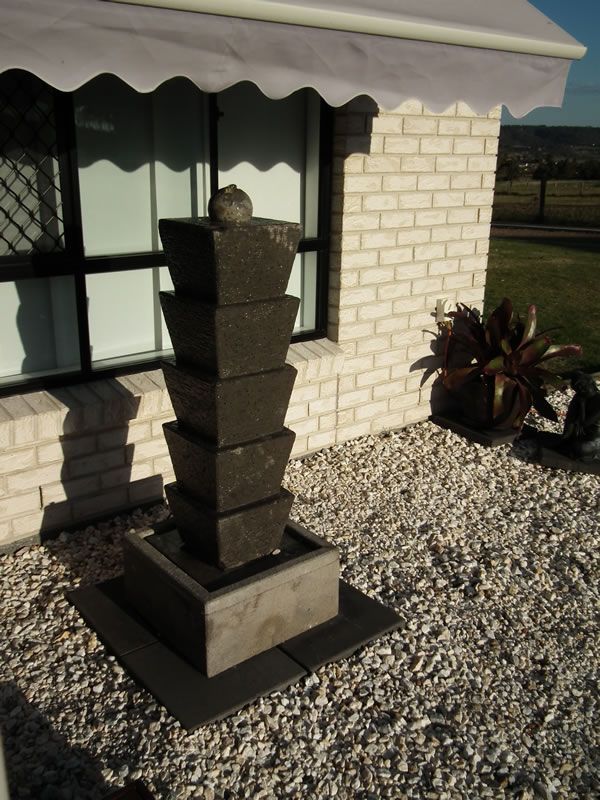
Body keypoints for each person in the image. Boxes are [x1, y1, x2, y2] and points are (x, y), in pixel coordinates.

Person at [560, 371, 600, 461]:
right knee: (571, 445)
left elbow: (585, 423)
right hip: (581, 436)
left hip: (595, 438)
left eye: (583, 386)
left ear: (591, 384)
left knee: (580, 449)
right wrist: (566, 437)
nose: (581, 389)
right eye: (578, 388)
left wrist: (582, 405)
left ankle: (593, 454)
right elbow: (570, 419)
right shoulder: (580, 397)